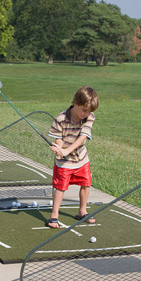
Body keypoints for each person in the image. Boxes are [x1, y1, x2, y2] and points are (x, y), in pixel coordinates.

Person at [46, 86, 99, 228]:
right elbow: (59, 139)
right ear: (75, 103)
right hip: (64, 162)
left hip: (81, 158)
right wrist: (60, 149)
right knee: (61, 187)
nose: (86, 113)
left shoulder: (89, 117)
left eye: (89, 111)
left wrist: (67, 150)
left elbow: (82, 138)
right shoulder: (61, 119)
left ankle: (82, 211)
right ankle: (54, 216)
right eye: (84, 109)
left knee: (86, 183)